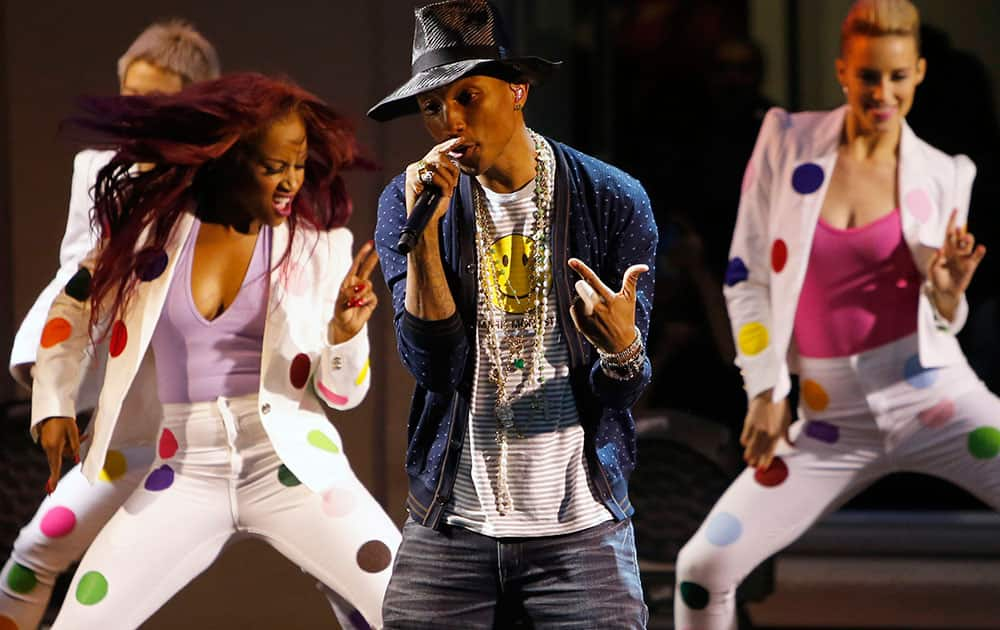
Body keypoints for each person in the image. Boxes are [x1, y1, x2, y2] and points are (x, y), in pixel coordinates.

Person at [28, 73, 399, 629]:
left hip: (293, 464)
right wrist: (54, 402)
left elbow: (342, 395)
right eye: (274, 166)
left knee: (410, 611)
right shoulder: (152, 237)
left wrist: (344, 334)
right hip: (182, 469)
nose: (291, 182)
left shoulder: (321, 249)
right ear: (230, 159)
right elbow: (72, 307)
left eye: (298, 166)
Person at [674, 2, 1000, 628]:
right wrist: (766, 390)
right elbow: (746, 278)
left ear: (920, 73)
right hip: (829, 421)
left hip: (933, 396)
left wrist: (949, 290)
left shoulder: (947, 174)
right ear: (843, 73)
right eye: (869, 76)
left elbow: (946, 320)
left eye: (898, 77)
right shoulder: (787, 142)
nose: (884, 93)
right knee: (701, 570)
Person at [369, 2, 656, 627]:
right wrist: (423, 245)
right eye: (431, 106)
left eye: (468, 96)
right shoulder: (409, 200)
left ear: (518, 90)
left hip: (579, 530)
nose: (449, 120)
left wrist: (620, 346)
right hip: (454, 523)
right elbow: (433, 367)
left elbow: (626, 388)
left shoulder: (611, 198)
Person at [1, 20, 220, 630]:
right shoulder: (100, 167)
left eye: (152, 101)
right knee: (34, 555)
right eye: (128, 96)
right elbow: (79, 278)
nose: (133, 114)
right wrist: (57, 392)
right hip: (134, 419)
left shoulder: (225, 179)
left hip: (218, 426)